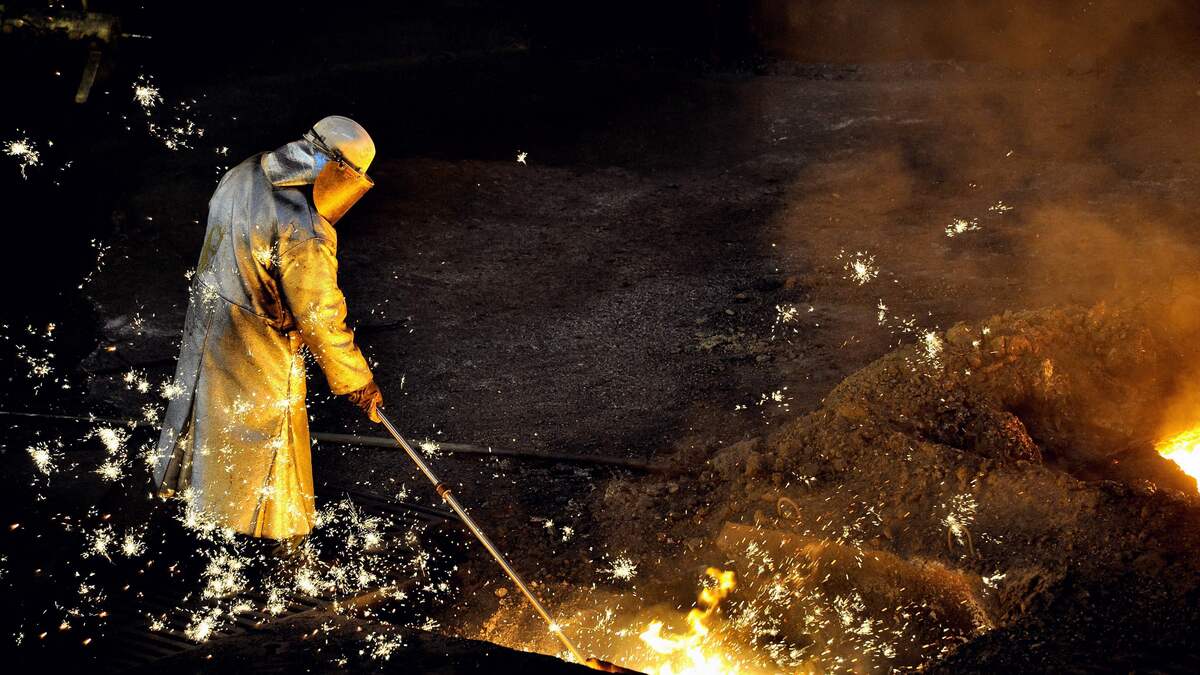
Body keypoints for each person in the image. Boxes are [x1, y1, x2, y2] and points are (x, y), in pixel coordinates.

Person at [152, 116, 384, 545]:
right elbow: (318, 313)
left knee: (200, 430)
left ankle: (193, 533)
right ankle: (269, 553)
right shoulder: (304, 226)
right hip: (254, 345)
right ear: (339, 171)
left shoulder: (244, 171)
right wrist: (357, 379)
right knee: (262, 451)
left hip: (207, 317)